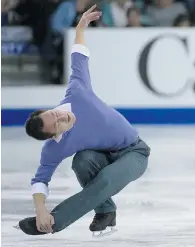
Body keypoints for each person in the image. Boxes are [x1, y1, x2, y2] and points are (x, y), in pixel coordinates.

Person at [16, 5, 151, 237]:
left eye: (54, 113)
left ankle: (55, 222)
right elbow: (40, 180)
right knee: (82, 161)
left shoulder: (77, 93)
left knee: (107, 178)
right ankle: (106, 211)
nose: (61, 116)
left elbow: (78, 54)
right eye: (56, 124)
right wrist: (40, 209)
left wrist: (80, 27)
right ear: (53, 136)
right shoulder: (54, 149)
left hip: (134, 153)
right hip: (103, 156)